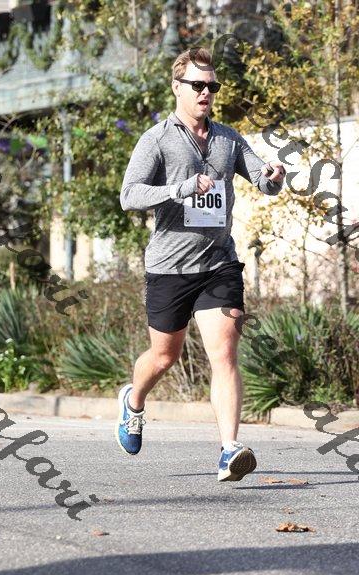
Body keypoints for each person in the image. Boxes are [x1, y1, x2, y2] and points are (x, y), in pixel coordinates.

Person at [116, 47, 286, 482]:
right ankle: (133, 402)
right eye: (198, 85)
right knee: (164, 357)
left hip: (218, 263)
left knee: (224, 352)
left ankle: (229, 450)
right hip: (170, 267)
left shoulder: (228, 139)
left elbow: (262, 181)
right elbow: (129, 195)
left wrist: (273, 177)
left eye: (212, 85)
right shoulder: (156, 139)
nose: (206, 92)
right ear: (177, 87)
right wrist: (179, 188)